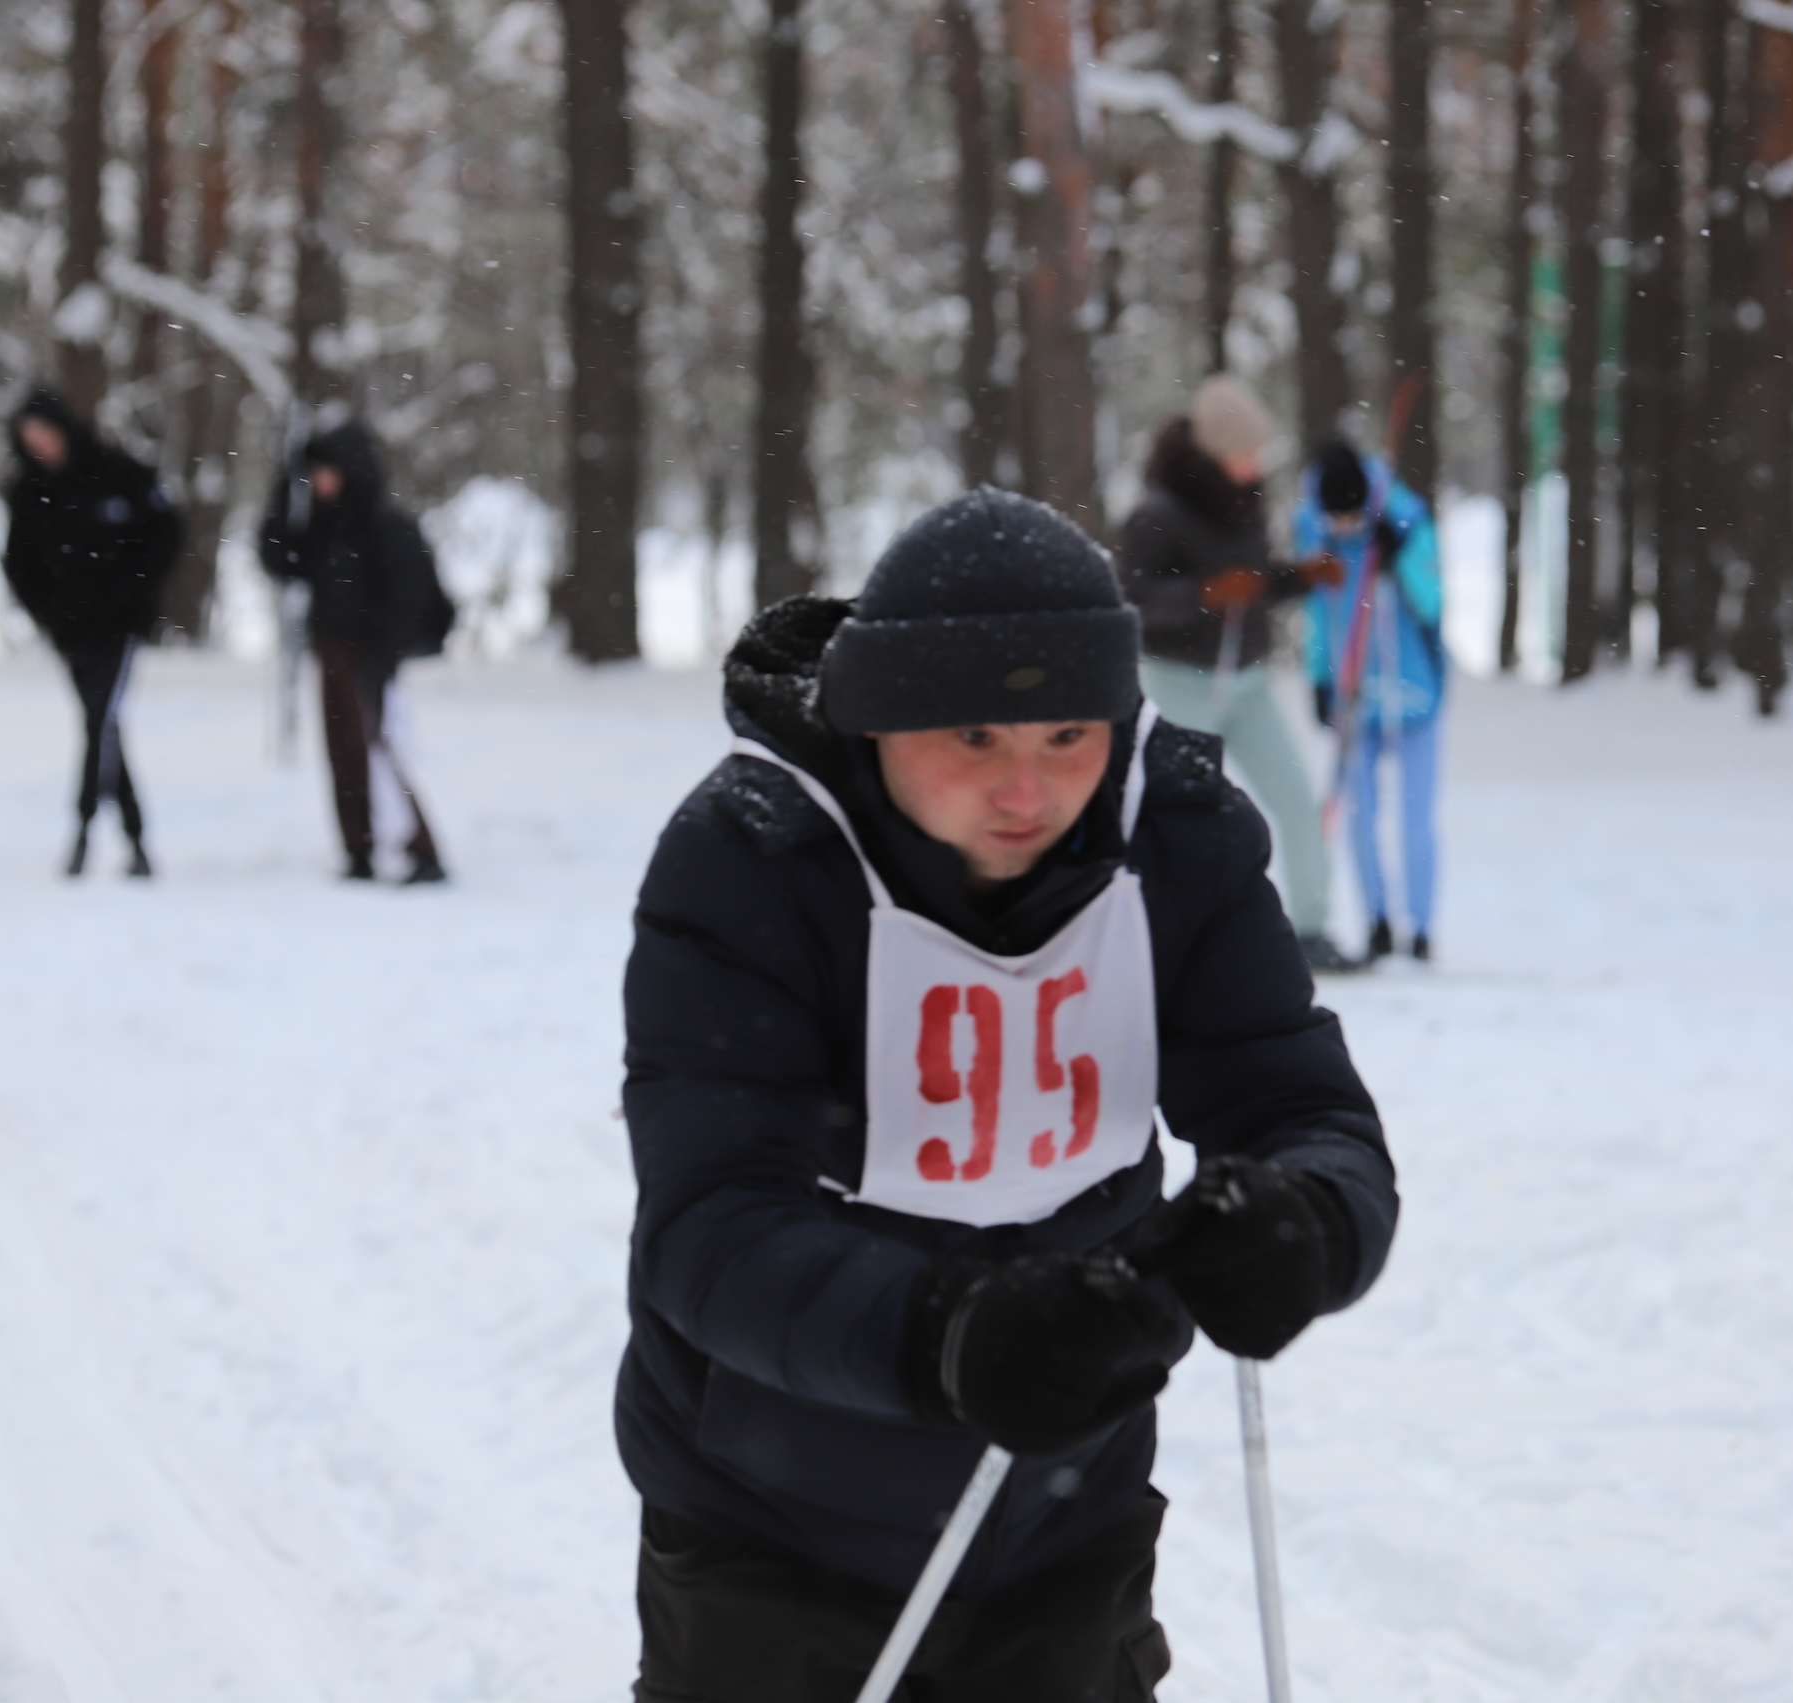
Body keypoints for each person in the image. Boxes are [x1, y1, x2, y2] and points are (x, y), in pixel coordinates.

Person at [616, 487, 1399, 1701]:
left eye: (1067, 737)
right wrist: (949, 1333)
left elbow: (1301, 1107)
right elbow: (710, 1226)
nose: (1027, 791)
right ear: (879, 718)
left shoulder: (1176, 837)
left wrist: (1308, 1221)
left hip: (1062, 1514)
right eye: (973, 738)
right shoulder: (753, 860)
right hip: (772, 1521)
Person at [1115, 375, 1348, 971]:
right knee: (1180, 813)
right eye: (1245, 453)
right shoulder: (1157, 512)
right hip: (1179, 680)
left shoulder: (1243, 504)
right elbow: (1132, 599)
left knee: (1296, 796)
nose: (1254, 465)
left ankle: (1314, 929)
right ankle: (1168, 935)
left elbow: (1252, 583)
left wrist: (1298, 578)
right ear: (1213, 452)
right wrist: (1203, 595)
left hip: (1246, 682)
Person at [257, 420, 453, 885]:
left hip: (371, 654)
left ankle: (419, 846)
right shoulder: (323, 528)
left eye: (327, 472)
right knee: (343, 755)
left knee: (378, 751)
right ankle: (358, 846)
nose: (320, 483)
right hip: (330, 648)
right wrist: (284, 493)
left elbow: (411, 595)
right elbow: (279, 558)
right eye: (314, 474)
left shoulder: (385, 525)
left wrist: (383, 654)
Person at [0, 387, 182, 878]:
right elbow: (18, 564)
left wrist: (134, 594)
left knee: (100, 720)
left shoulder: (117, 473)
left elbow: (165, 534)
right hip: (70, 631)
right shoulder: (28, 492)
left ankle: (85, 832)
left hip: (119, 627)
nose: (40, 445)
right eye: (29, 437)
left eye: (45, 433)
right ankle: (135, 838)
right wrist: (49, 612)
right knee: (103, 726)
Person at [1300, 439, 1446, 964]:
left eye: (1349, 516)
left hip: (1417, 697)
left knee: (1417, 816)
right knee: (1360, 814)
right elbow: (1319, 613)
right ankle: (1377, 921)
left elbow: (1434, 602)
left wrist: (1400, 555)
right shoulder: (1314, 528)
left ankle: (1422, 929)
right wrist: (1318, 677)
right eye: (1331, 517)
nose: (1342, 527)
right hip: (1353, 697)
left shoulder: (1405, 519)